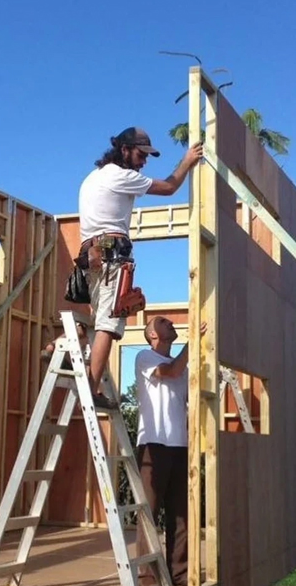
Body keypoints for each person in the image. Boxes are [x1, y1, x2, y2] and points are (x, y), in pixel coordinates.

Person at [77, 127, 203, 407]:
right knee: (109, 325)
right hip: (112, 253)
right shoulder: (120, 175)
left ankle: (55, 346)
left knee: (97, 317)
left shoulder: (94, 177)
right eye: (140, 154)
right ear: (124, 150)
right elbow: (169, 187)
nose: (144, 161)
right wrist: (187, 161)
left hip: (91, 254)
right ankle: (91, 390)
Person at [133, 316, 205, 586]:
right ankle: (148, 576)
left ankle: (179, 572)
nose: (170, 323)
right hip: (153, 443)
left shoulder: (181, 366)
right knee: (149, 512)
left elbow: (187, 386)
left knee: (181, 513)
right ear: (152, 334)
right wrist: (193, 343)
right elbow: (171, 372)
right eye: (163, 322)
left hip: (179, 445)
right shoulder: (145, 358)